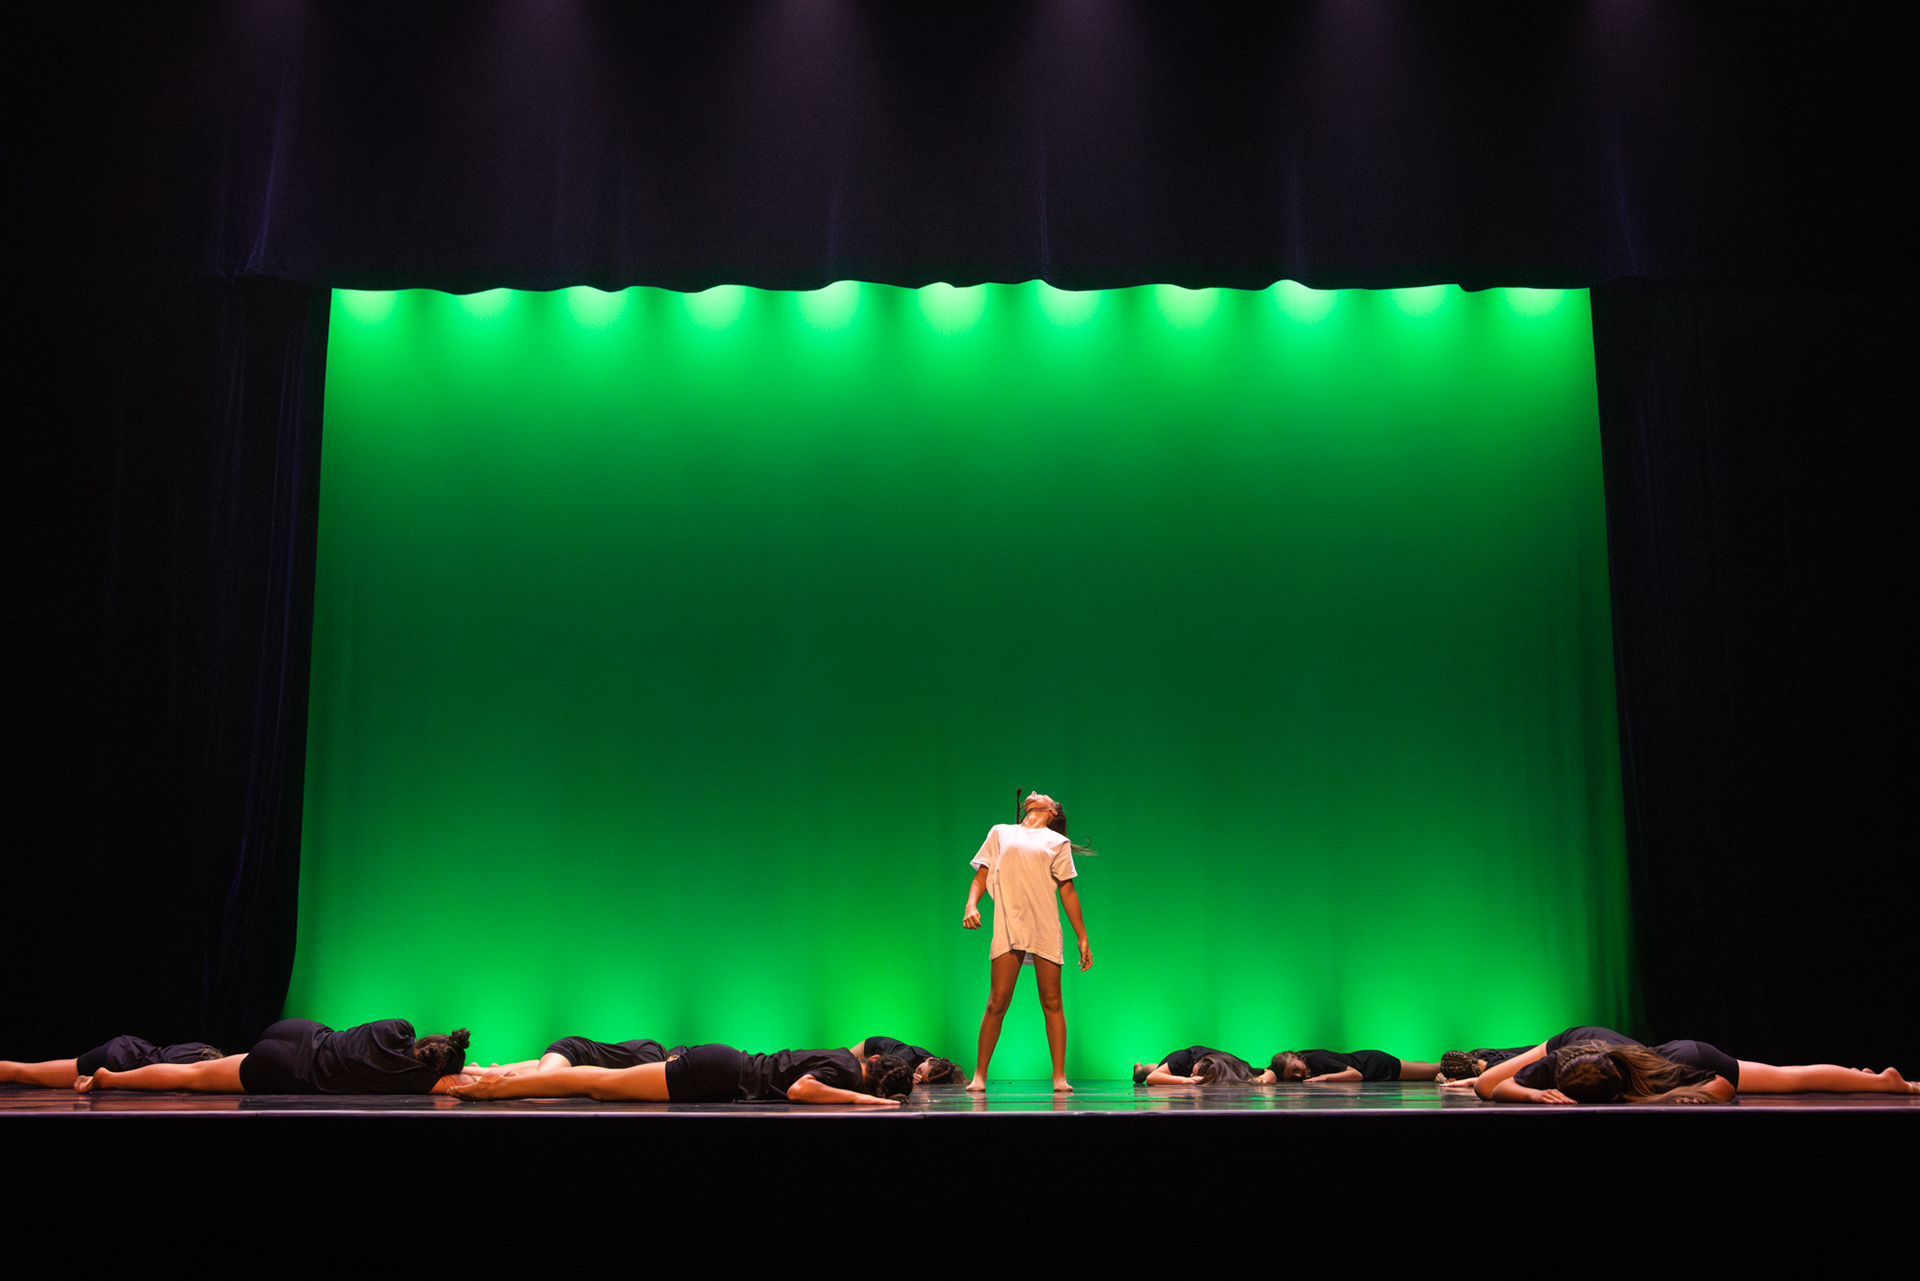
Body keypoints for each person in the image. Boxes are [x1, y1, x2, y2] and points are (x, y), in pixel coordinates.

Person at [962, 790, 1093, 1093]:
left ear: (1054, 811)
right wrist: (971, 904)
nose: (1033, 793)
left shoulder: (1057, 842)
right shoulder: (1001, 832)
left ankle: (1059, 1076)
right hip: (1009, 924)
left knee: (1052, 1001)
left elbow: (1067, 890)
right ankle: (979, 1075)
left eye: (1041, 793)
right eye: (1032, 793)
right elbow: (982, 873)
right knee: (997, 1001)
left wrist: (1082, 936)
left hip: (1044, 925)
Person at [1472, 1025, 1918, 1103]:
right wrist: (1531, 1094)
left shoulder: (1663, 1077)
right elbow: (1489, 1087)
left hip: (1690, 1055)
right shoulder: (1561, 1063)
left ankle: (1888, 1083)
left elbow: (1723, 1085)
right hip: (1581, 1039)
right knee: (1484, 1078)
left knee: (1787, 1080)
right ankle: (1864, 1077)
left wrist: (1685, 1096)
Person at [74, 1018, 471, 1095]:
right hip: (284, 1069)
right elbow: (467, 1082)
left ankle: (113, 1074)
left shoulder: (397, 1028)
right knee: (191, 1077)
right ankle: (110, 1078)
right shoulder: (417, 1080)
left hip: (299, 1033)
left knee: (198, 1069)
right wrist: (482, 1070)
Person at [450, 1043, 913, 1105]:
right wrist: (863, 1100)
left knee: (604, 1087)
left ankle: (502, 1081)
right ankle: (498, 1087)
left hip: (721, 1065)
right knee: (598, 1083)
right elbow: (799, 1090)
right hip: (717, 1074)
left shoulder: (847, 1058)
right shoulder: (846, 1073)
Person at [2, 1035, 227, 1088]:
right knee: (25, 1073)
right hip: (117, 1060)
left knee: (25, 1072)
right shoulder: (203, 1069)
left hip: (126, 1048)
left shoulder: (204, 1051)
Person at [1260, 1048, 1447, 1084]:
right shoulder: (1302, 1059)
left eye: (1295, 1069)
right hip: (1370, 1059)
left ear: (1294, 1056)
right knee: (1423, 1067)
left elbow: (1356, 1075)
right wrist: (1265, 1073)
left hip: (1376, 1065)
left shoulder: (1316, 1059)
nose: (1299, 1075)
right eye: (1293, 1077)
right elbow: (1268, 1070)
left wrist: (1323, 1078)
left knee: (1431, 1070)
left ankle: (1463, 1062)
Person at [850, 1035, 963, 1085]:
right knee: (847, 1061)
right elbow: (885, 1069)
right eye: (919, 1071)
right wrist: (907, 1077)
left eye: (923, 1080)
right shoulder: (905, 1057)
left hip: (891, 1052)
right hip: (875, 1045)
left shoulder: (937, 1066)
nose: (918, 1076)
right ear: (928, 1059)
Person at [1134, 1046, 1258, 1086]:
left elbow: (1266, 1071)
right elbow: (1151, 1078)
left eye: (1194, 1075)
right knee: (1152, 1070)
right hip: (1182, 1063)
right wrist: (1187, 1080)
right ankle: (1139, 1068)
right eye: (1193, 1073)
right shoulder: (1183, 1059)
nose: (1192, 1075)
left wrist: (1264, 1077)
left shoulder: (1237, 1066)